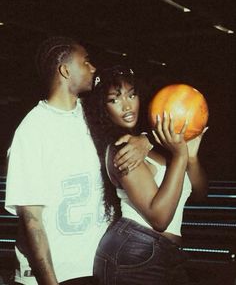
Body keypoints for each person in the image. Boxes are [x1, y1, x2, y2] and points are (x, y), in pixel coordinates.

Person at [4, 37, 153, 285]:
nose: (93, 68)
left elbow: (133, 124)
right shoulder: (32, 130)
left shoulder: (93, 114)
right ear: (65, 70)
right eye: (85, 62)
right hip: (58, 275)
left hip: (98, 267)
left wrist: (145, 140)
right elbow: (32, 221)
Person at [83, 65, 208, 285]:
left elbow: (199, 195)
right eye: (115, 99)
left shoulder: (151, 144)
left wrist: (191, 158)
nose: (127, 105)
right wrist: (180, 155)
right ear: (103, 108)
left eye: (132, 95)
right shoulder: (122, 149)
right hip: (134, 254)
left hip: (161, 255)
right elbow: (159, 218)